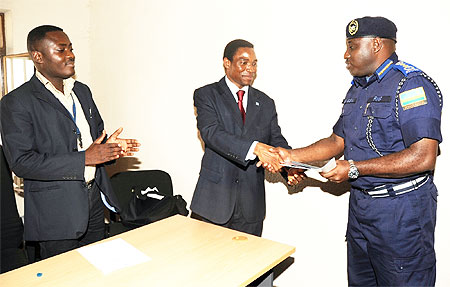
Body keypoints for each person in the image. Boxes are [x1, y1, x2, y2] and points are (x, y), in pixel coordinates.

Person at [269, 17, 442, 286]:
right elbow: (338, 140)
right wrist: (291, 156)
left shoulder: (410, 85)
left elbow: (423, 156)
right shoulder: (358, 88)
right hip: (362, 211)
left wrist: (353, 168)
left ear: (375, 45)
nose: (346, 54)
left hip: (401, 213)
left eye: (351, 46)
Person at [0, 25, 140, 260]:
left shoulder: (82, 91)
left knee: (97, 269)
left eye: (71, 49)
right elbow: (22, 163)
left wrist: (111, 147)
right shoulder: (16, 102)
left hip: (93, 201)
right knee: (64, 278)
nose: (71, 55)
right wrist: (85, 158)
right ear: (38, 57)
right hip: (55, 210)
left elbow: (94, 138)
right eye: (61, 50)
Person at [190, 39, 290, 238]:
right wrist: (254, 148)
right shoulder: (206, 95)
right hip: (213, 203)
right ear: (227, 63)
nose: (250, 69)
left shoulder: (266, 102)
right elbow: (212, 133)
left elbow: (276, 140)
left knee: (249, 265)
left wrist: (289, 165)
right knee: (208, 265)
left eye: (254, 63)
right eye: (243, 62)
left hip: (251, 207)